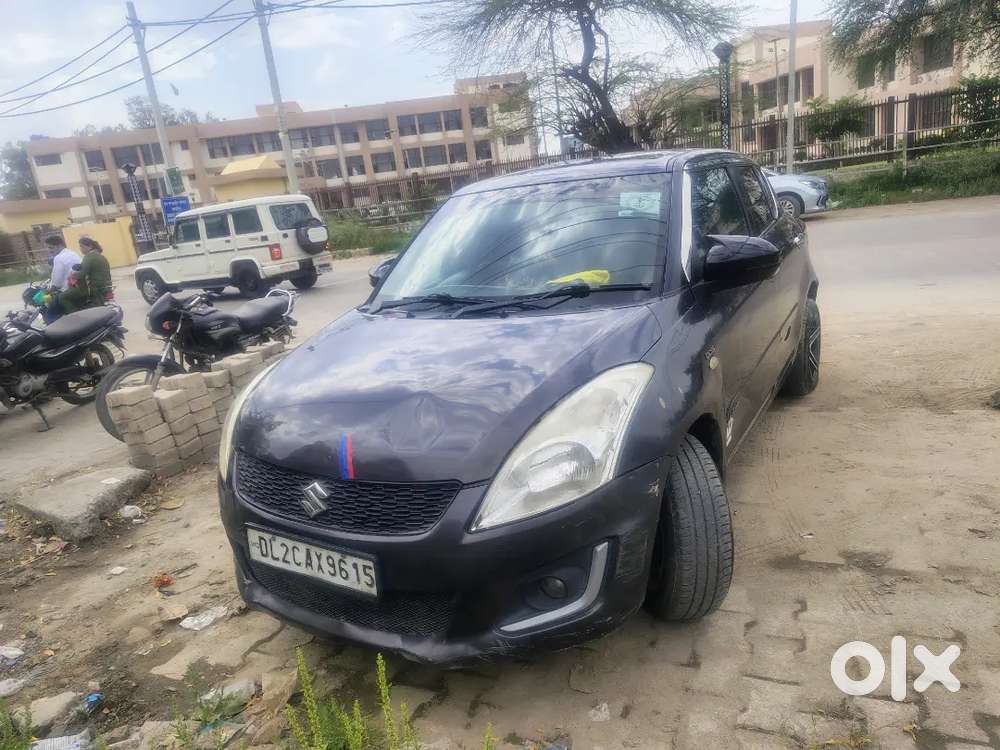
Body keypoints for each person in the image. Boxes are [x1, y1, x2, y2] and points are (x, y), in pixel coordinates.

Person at [59, 237, 113, 313]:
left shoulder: (89, 257)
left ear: (90, 246)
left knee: (62, 297)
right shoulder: (101, 256)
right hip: (106, 285)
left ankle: (76, 316)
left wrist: (72, 275)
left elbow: (82, 274)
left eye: (82, 246)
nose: (80, 249)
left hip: (93, 288)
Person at [39, 235, 82, 323]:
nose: (49, 250)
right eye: (48, 248)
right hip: (79, 288)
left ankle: (55, 333)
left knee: (49, 314)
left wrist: (48, 291)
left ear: (59, 245)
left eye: (51, 247)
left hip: (66, 291)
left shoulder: (58, 258)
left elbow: (56, 283)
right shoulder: (73, 253)